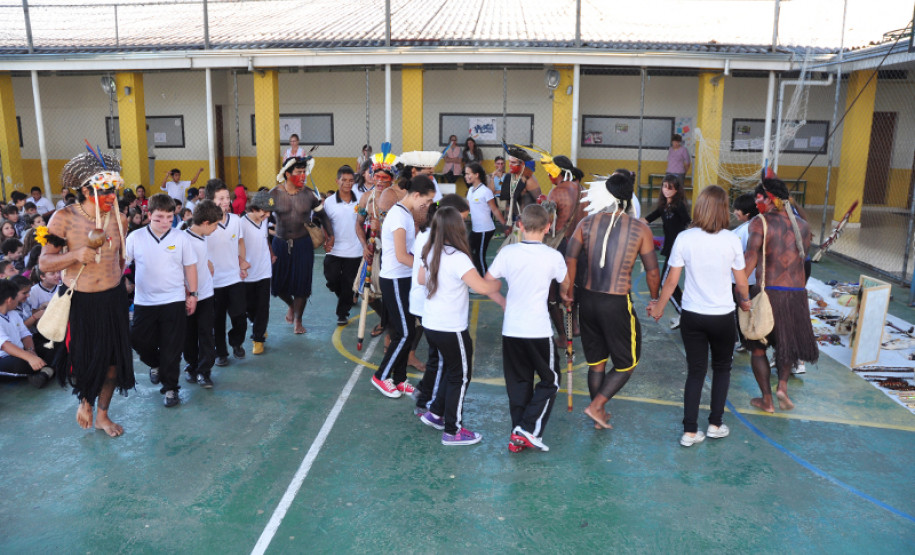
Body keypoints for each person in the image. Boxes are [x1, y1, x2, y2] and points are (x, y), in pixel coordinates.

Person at [39, 152, 133, 436]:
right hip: (81, 301)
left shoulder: (120, 219)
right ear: (85, 190)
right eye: (105, 191)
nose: (111, 197)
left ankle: (102, 415)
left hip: (113, 299)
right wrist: (76, 255)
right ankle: (85, 402)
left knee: (113, 363)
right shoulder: (63, 218)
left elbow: (120, 259)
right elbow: (44, 263)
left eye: (114, 191)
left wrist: (118, 282)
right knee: (85, 361)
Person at [649, 186, 750, 447]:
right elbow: (741, 282)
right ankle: (715, 424)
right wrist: (746, 301)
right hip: (722, 316)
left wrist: (659, 306)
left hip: (692, 315)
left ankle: (690, 431)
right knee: (722, 369)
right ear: (723, 209)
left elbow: (672, 280)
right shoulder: (731, 239)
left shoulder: (685, 238)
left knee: (695, 371)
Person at [564, 173, 660, 430]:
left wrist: (568, 292)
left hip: (587, 299)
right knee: (627, 362)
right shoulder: (639, 228)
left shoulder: (586, 222)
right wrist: (654, 299)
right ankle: (596, 406)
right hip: (616, 303)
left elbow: (570, 259)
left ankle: (599, 413)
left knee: (597, 363)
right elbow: (652, 271)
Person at [485, 204, 569, 452]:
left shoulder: (508, 252)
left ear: (520, 226)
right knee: (551, 380)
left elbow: (488, 282)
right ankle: (528, 428)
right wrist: (566, 295)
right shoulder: (553, 256)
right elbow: (565, 286)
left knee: (518, 383)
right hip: (538, 329)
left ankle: (517, 435)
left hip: (512, 328)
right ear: (548, 227)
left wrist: (503, 302)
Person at [417, 206, 501, 445]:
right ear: (457, 229)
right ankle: (453, 431)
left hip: (431, 324)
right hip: (451, 327)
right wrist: (497, 284)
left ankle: (436, 412)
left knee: (451, 370)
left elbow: (421, 279)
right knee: (460, 376)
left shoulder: (431, 251)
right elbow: (482, 288)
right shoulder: (458, 257)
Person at [743, 178, 818, 413]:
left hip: (768, 293)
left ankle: (767, 399)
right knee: (786, 345)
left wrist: (739, 288)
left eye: (759, 198)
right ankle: (782, 386)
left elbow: (750, 258)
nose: (757, 203)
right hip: (795, 294)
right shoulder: (803, 226)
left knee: (758, 348)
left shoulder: (760, 222)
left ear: (770, 199)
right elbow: (803, 261)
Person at [127, 193, 198, 408]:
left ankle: (170, 388)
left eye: (169, 217)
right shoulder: (135, 237)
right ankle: (156, 364)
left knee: (172, 347)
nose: (165, 222)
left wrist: (193, 294)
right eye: (159, 218)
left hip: (173, 300)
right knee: (138, 340)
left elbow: (190, 267)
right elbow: (123, 264)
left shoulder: (181, 237)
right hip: (144, 301)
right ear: (148, 215)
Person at [370, 175, 436, 398]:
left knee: (406, 330)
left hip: (405, 278)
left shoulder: (406, 213)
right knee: (406, 332)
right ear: (416, 195)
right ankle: (381, 376)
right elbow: (401, 256)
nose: (427, 206)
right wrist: (428, 270)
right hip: (395, 279)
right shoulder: (399, 216)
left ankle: (399, 379)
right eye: (426, 201)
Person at [411, 194, 471, 416]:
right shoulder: (434, 240)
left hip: (430, 304)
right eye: (461, 220)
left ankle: (425, 395)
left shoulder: (432, 235)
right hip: (431, 305)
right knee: (439, 361)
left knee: (438, 359)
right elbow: (423, 276)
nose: (463, 225)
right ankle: (428, 404)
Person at [271, 156, 331, 335]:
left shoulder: (309, 194)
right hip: (280, 244)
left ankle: (298, 320)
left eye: (304, 172)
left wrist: (331, 236)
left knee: (302, 286)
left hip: (303, 244)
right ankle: (291, 305)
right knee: (277, 285)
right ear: (287, 174)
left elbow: (323, 216)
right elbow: (258, 215)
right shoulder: (274, 194)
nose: (303, 175)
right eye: (298, 172)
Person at [206, 179, 250, 365]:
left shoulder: (236, 220)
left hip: (234, 278)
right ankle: (220, 352)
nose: (225, 201)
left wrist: (242, 263)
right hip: (213, 282)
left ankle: (236, 342)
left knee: (240, 316)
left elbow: (240, 242)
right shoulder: (205, 223)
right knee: (217, 320)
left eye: (227, 197)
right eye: (220, 198)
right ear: (211, 201)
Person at [642, 173, 690, 329]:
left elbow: (688, 223)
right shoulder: (663, 206)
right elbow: (647, 219)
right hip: (669, 249)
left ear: (677, 190)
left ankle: (684, 314)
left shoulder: (679, 206)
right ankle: (684, 312)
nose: (666, 190)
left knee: (665, 282)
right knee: (669, 283)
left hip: (677, 249)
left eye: (670, 188)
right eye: (664, 187)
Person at [183, 199, 222, 388]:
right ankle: (192, 366)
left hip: (206, 294)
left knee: (206, 333)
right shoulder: (184, 240)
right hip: (189, 296)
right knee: (189, 334)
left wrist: (208, 262)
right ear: (206, 223)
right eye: (215, 225)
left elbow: (199, 258)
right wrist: (188, 293)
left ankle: (204, 371)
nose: (216, 229)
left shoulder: (202, 237)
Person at [323, 166, 362, 326]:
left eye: (351, 180)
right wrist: (327, 239)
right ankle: (346, 296)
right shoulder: (329, 202)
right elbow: (324, 223)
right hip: (334, 249)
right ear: (337, 181)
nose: (347, 183)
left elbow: (366, 220)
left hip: (355, 250)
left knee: (348, 283)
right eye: (344, 180)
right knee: (331, 279)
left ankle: (342, 313)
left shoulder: (360, 199)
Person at [0, 279, 54, 388]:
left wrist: (31, 351)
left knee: (53, 348)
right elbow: (5, 345)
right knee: (24, 364)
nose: (27, 296)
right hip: (4, 358)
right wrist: (30, 358)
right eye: (17, 297)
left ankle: (45, 373)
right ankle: (47, 371)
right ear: (9, 300)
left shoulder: (13, 313)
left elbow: (25, 335)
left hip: (20, 353)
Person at [241, 191, 274, 355]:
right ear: (254, 208)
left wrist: (271, 253)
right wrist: (240, 264)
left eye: (269, 212)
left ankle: (258, 338)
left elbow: (265, 238)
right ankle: (257, 324)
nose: (267, 215)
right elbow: (236, 246)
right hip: (247, 273)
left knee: (263, 305)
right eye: (264, 211)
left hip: (264, 270)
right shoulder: (241, 224)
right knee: (249, 306)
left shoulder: (264, 220)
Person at [464, 162, 505, 276]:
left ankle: (484, 280)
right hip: (475, 229)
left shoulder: (485, 191)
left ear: (476, 175)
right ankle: (478, 276)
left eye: (468, 174)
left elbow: (495, 210)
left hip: (485, 230)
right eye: (465, 174)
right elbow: (467, 210)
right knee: (467, 251)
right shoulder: (470, 191)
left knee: (479, 256)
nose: (466, 176)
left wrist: (505, 225)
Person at [731, 193, 758, 352]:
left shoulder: (747, 230)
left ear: (747, 213)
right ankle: (745, 340)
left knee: (740, 309)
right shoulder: (750, 226)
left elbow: (741, 254)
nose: (734, 212)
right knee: (743, 309)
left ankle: (744, 340)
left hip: (743, 278)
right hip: (747, 277)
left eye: (737, 210)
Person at [500, 146, 541, 227]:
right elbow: (509, 202)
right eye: (510, 162)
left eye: (513, 163)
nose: (510, 165)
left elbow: (540, 202)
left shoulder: (529, 180)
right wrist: (507, 222)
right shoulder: (509, 177)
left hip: (529, 221)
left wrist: (532, 220)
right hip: (516, 220)